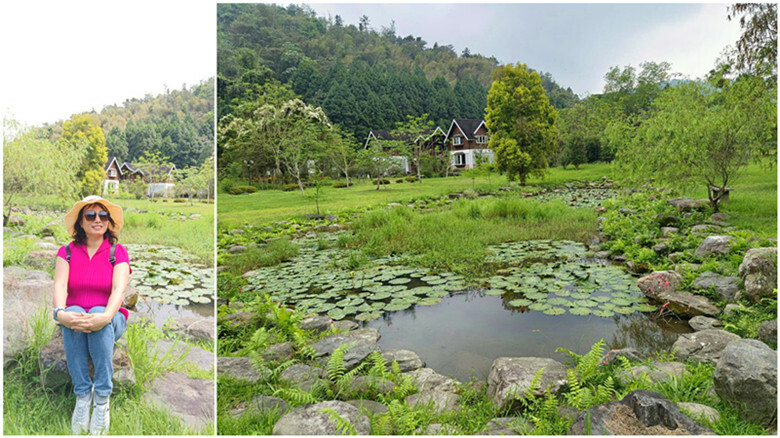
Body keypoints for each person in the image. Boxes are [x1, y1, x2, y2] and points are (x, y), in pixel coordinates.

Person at [53, 196, 131, 435]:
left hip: (111, 316)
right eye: (91, 215)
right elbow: (59, 286)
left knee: (97, 314)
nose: (98, 219)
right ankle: (83, 396)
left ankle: (102, 400)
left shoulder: (117, 251)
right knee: (74, 314)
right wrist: (60, 313)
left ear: (108, 221)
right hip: (77, 314)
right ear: (81, 222)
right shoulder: (66, 251)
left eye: (103, 215)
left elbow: (119, 289)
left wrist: (106, 316)